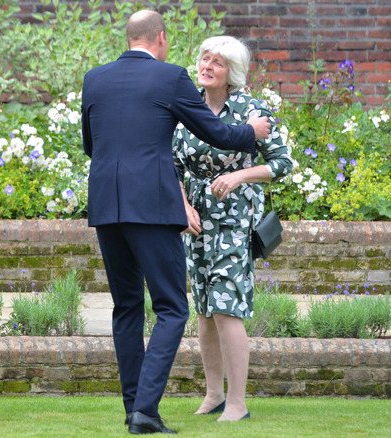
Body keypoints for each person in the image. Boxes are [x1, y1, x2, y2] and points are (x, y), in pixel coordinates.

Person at [81, 10, 271, 435]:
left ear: (129, 37)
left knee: (126, 307)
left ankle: (134, 407)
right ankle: (146, 411)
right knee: (171, 307)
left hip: (107, 207)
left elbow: (90, 145)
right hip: (151, 206)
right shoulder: (170, 77)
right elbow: (216, 133)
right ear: (161, 38)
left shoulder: (94, 78)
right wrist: (251, 131)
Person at [172, 36, 293, 422]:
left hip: (234, 218)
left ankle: (238, 403)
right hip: (196, 221)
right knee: (205, 310)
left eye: (217, 63)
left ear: (232, 74)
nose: (207, 65)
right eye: (204, 58)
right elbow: (170, 164)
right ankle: (213, 395)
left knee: (227, 307)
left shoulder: (250, 109)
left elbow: (282, 163)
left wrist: (240, 176)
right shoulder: (186, 105)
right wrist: (183, 205)